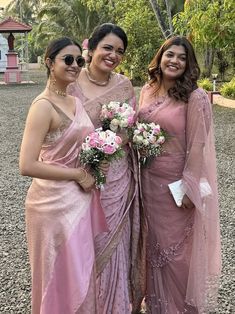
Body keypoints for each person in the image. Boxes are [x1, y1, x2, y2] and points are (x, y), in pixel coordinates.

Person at [19, 37, 108, 314]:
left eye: (79, 60)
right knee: (55, 277)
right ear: (49, 62)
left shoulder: (74, 101)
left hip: (78, 200)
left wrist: (99, 161)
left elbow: (85, 144)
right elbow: (27, 164)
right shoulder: (42, 106)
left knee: (80, 272)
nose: (74, 65)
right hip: (50, 205)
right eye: (67, 60)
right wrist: (77, 175)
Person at [138, 36, 221, 313]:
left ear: (188, 64)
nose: (174, 61)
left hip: (176, 188)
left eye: (182, 57)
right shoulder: (147, 90)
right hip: (147, 182)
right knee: (151, 248)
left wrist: (189, 185)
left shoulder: (195, 97)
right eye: (169, 55)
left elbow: (198, 143)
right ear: (160, 58)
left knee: (177, 255)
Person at [68, 23, 145, 313]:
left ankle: (114, 306)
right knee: (83, 246)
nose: (113, 55)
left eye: (120, 51)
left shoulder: (124, 85)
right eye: (108, 48)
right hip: (80, 176)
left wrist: (108, 143)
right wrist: (89, 154)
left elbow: (131, 128)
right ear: (92, 49)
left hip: (116, 178)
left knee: (113, 245)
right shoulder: (72, 83)